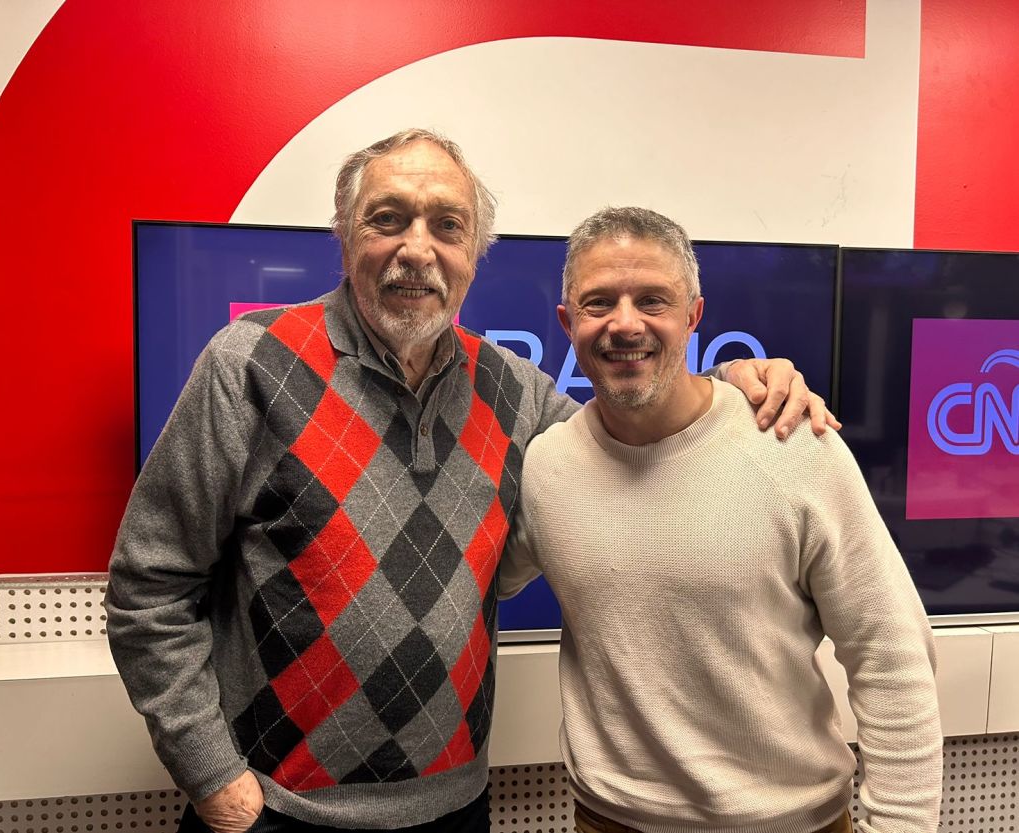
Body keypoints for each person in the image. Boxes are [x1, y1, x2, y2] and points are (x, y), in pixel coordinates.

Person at [106, 131, 834, 833]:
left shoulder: (516, 391)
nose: (417, 248)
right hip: (276, 812)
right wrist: (212, 778)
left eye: (447, 226)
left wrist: (733, 384)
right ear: (345, 236)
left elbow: (637, 434)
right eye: (387, 219)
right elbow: (150, 588)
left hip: (454, 810)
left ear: (473, 255)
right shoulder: (248, 366)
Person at [499, 206, 942, 833]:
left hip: (795, 822)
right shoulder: (547, 466)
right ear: (569, 323)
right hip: (607, 822)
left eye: (652, 299)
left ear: (693, 316)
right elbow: (477, 579)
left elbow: (891, 653)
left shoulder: (794, 442)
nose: (625, 324)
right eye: (600, 303)